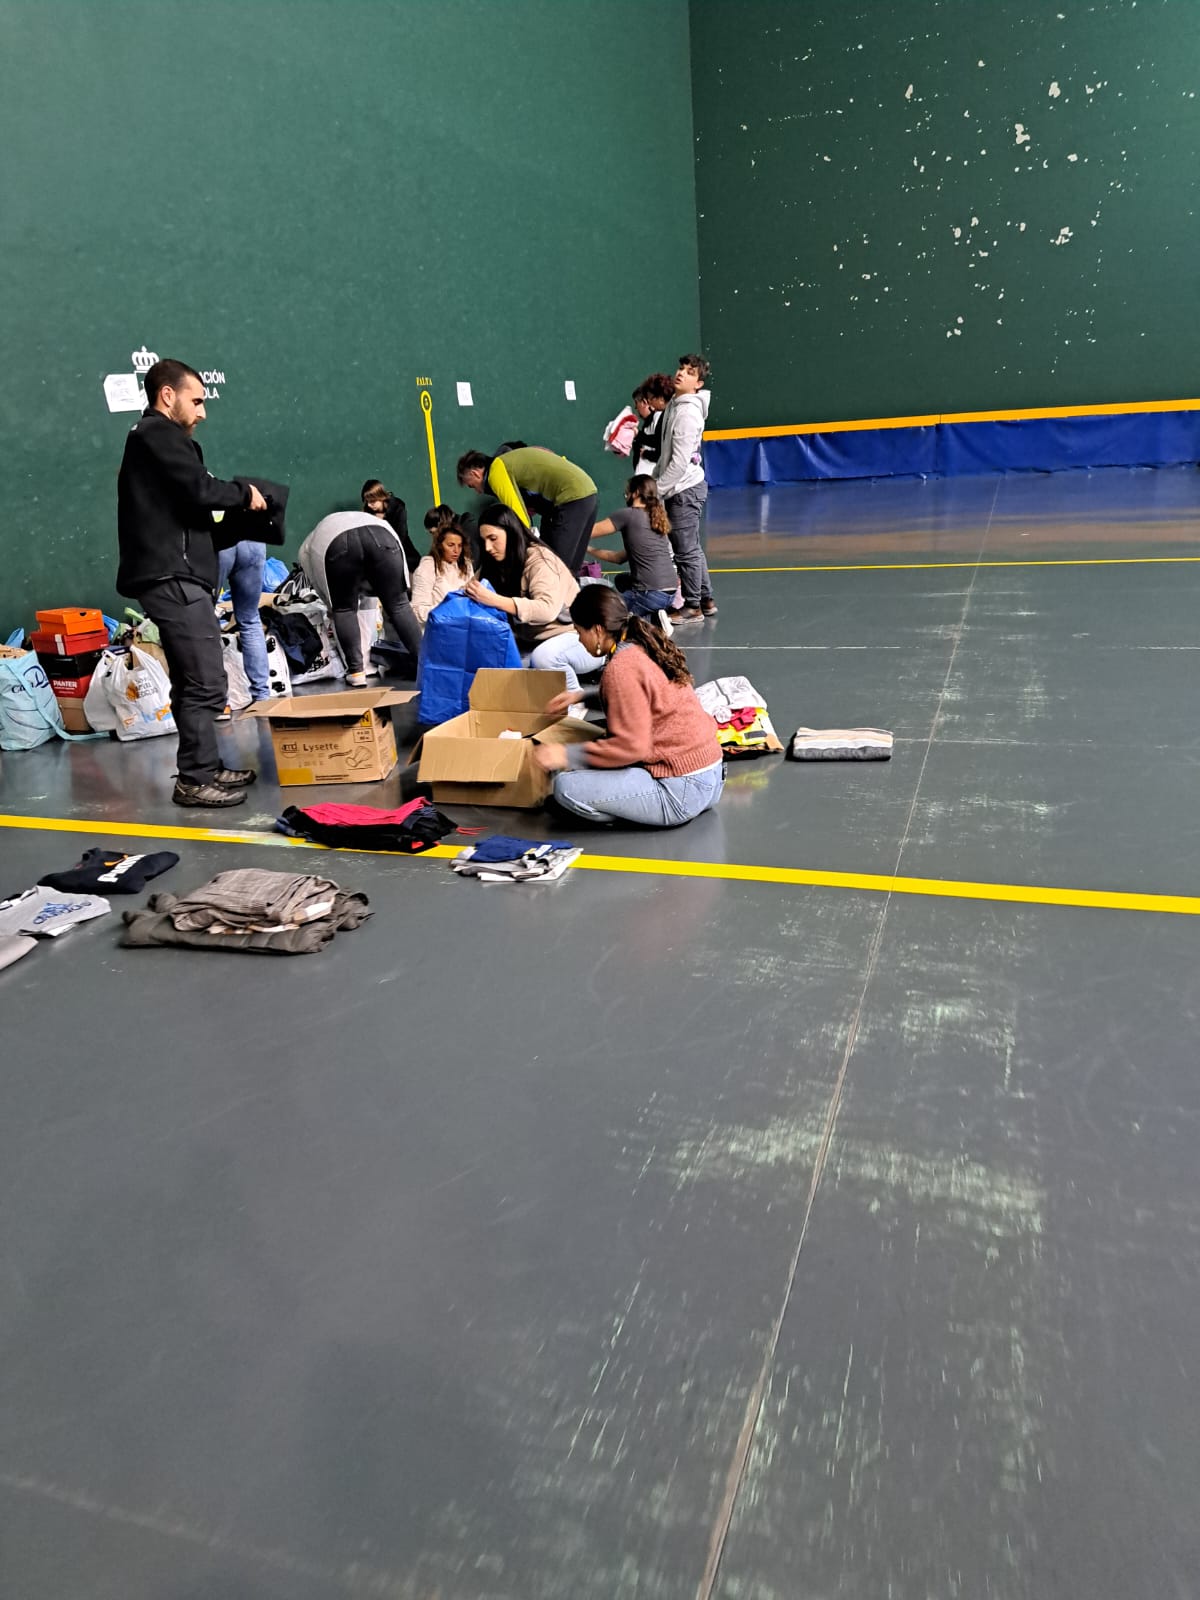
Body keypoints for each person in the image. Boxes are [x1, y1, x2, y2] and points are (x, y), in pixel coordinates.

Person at [116, 357, 270, 808]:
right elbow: (201, 490)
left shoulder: (159, 444)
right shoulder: (156, 435)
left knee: (192, 680)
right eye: (196, 401)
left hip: (175, 574)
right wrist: (243, 494)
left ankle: (204, 766)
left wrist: (237, 521)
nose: (202, 412)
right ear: (168, 395)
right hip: (172, 578)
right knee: (205, 681)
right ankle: (194, 779)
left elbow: (192, 510)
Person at [533, 585, 724, 827]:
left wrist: (565, 754)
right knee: (601, 747)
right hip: (711, 775)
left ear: (598, 630)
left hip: (680, 790)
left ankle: (632, 812)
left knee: (566, 788)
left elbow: (632, 747)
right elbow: (639, 700)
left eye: (580, 632)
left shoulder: (621, 667)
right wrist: (581, 696)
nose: (580, 641)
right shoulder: (640, 644)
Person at [464, 504, 604, 693]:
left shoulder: (539, 559)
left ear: (511, 533)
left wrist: (493, 599)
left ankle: (575, 698)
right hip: (536, 641)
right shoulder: (496, 562)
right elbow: (470, 589)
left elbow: (547, 610)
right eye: (484, 541)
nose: (488, 547)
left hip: (580, 639)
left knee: (543, 659)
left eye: (493, 538)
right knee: (501, 668)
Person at [298, 507, 423, 686]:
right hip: (383, 535)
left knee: (344, 609)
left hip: (337, 542)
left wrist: (335, 609)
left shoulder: (306, 551)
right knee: (399, 605)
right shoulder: (365, 520)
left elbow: (332, 603)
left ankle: (356, 671)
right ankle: (425, 664)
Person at [456, 446, 598, 574]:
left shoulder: (496, 471)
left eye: (472, 486)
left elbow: (519, 517)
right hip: (588, 492)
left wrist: (519, 551)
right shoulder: (510, 462)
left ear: (476, 474)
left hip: (571, 497)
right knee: (570, 571)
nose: (478, 492)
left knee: (555, 570)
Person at [653, 353, 716, 621]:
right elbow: (667, 455)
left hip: (684, 491)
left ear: (698, 383)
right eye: (681, 368)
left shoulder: (687, 413)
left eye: (690, 372)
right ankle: (706, 599)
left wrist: (656, 491)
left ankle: (692, 607)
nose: (681, 373)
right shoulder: (675, 405)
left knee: (685, 551)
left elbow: (679, 462)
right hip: (682, 488)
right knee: (692, 548)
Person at [587, 474, 679, 632]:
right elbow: (618, 558)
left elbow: (587, 532)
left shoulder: (627, 515)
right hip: (670, 592)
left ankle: (651, 620)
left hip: (650, 593)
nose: (626, 495)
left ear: (635, 493)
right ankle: (655, 612)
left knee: (608, 615)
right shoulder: (655, 518)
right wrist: (588, 549)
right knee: (622, 580)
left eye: (627, 492)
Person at [217, 540, 271, 704]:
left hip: (218, 541)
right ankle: (262, 695)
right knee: (250, 620)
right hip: (253, 540)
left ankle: (218, 701)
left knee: (205, 619)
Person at [411, 506, 474, 626]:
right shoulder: (428, 566)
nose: (456, 550)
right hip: (437, 630)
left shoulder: (466, 564)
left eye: (460, 546)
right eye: (451, 545)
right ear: (439, 545)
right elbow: (417, 611)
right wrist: (448, 611)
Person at [361, 478, 421, 574]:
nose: (369, 505)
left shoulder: (398, 507)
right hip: (380, 557)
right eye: (367, 502)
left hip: (403, 553)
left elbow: (401, 536)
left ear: (381, 497)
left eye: (372, 501)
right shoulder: (367, 513)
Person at [631, 373, 674, 476]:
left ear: (661, 399)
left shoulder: (664, 417)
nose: (649, 402)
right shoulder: (661, 416)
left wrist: (646, 453)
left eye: (651, 398)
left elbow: (660, 448)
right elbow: (657, 441)